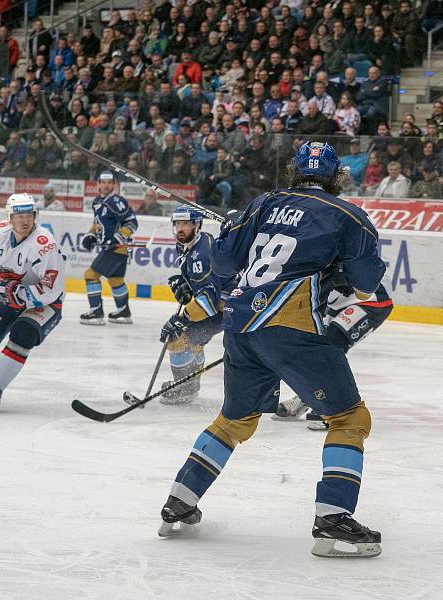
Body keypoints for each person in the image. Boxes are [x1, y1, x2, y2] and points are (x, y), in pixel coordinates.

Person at [158, 141, 386, 559]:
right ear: (337, 176)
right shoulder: (351, 216)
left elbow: (224, 265)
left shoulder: (265, 202)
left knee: (233, 420)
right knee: (350, 417)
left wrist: (231, 231)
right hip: (291, 329)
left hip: (241, 327)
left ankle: (180, 500)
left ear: (295, 172)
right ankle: (332, 518)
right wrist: (336, 265)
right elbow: (369, 288)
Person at [0, 194, 66, 410]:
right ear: (9, 217)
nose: (25, 221)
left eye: (29, 215)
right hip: (5, 297)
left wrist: (18, 293)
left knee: (23, 334)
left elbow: (52, 287)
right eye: (19, 216)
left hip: (44, 303)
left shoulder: (44, 244)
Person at [274, 281, 393, 429]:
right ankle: (307, 398)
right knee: (314, 347)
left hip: (370, 301)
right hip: (335, 304)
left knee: (331, 344)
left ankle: (334, 408)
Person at [155, 207, 226, 405]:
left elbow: (209, 301)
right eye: (177, 224)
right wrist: (188, 288)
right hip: (225, 305)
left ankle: (185, 388)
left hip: (223, 308)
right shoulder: (196, 242)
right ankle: (190, 383)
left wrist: (183, 318)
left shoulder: (201, 255)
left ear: (197, 225)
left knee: (176, 337)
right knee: (194, 341)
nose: (180, 228)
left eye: (185, 224)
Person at [79, 172, 138, 325]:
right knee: (116, 280)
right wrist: (90, 235)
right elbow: (97, 223)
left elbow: (132, 223)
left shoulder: (117, 201)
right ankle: (123, 312)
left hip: (116, 248)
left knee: (91, 275)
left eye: (109, 182)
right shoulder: (98, 201)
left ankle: (96, 312)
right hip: (116, 250)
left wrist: (117, 238)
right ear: (98, 184)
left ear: (114, 185)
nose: (106, 185)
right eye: (103, 182)